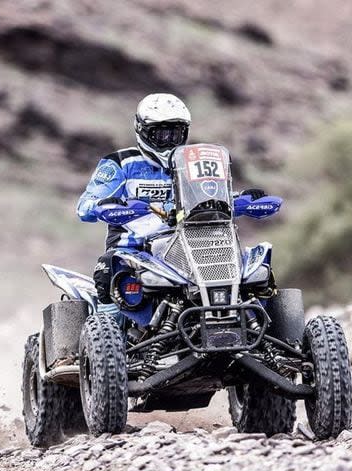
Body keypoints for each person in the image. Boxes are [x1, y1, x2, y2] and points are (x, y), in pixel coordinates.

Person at [76, 93, 264, 315]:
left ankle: (273, 333)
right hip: (135, 249)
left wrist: (241, 199)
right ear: (143, 131)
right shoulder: (120, 163)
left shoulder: (193, 163)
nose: (169, 140)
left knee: (256, 274)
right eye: (161, 133)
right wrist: (107, 205)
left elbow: (210, 194)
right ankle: (106, 337)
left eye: (175, 133)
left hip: (190, 244)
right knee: (110, 273)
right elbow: (84, 207)